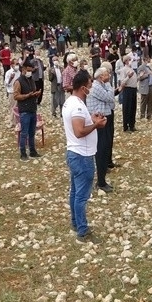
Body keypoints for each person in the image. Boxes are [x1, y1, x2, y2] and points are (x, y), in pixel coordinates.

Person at [63, 70, 107, 243]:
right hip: (82, 155)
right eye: (89, 86)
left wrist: (91, 119)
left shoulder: (71, 103)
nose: (91, 88)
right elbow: (79, 131)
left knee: (75, 192)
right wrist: (95, 124)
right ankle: (82, 230)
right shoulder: (78, 107)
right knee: (81, 195)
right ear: (83, 87)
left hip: (75, 153)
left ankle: (75, 222)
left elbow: (81, 124)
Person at [87, 67, 116, 193]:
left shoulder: (101, 85)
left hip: (104, 120)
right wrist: (109, 84)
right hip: (98, 122)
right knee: (101, 150)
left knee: (104, 150)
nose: (108, 75)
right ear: (100, 77)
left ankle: (102, 180)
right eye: (106, 74)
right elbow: (110, 97)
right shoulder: (97, 87)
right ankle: (100, 182)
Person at [13, 61, 42, 160]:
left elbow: (32, 92)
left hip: (32, 109)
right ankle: (23, 153)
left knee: (32, 132)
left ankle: (32, 151)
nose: (30, 72)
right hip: (24, 110)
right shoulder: (18, 81)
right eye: (28, 70)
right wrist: (27, 96)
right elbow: (16, 96)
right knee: (24, 133)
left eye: (31, 70)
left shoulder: (31, 80)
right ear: (24, 69)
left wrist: (36, 94)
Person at [119, 54, 138, 131]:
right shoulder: (124, 70)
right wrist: (128, 77)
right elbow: (122, 81)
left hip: (133, 89)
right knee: (127, 107)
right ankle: (125, 126)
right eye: (129, 60)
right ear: (126, 61)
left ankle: (132, 124)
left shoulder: (132, 69)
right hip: (128, 89)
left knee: (133, 107)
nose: (131, 61)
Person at [4, 60, 20, 128]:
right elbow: (6, 84)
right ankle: (12, 122)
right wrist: (11, 78)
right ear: (12, 65)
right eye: (16, 64)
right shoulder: (8, 72)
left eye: (18, 64)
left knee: (18, 107)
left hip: (19, 92)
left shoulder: (19, 72)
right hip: (12, 92)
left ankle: (17, 121)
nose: (17, 65)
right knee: (12, 107)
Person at [137, 56, 152, 121]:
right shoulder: (141, 67)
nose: (148, 61)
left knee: (150, 101)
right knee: (143, 101)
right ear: (144, 60)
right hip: (144, 86)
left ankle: (149, 115)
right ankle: (142, 115)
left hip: (150, 86)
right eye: (147, 59)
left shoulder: (148, 67)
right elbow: (139, 77)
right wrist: (147, 74)